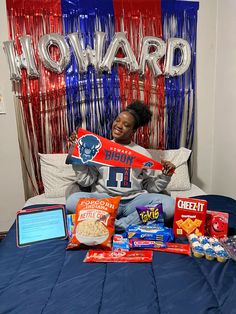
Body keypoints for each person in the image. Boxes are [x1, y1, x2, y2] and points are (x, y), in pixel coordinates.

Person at [66, 101, 176, 232]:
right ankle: (129, 224)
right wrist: (77, 156)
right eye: (117, 120)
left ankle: (118, 225)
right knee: (72, 201)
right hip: (105, 201)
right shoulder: (100, 148)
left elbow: (150, 186)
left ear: (133, 131)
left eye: (126, 125)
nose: (119, 126)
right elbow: (86, 181)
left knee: (170, 205)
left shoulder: (142, 153)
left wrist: (165, 175)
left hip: (133, 202)